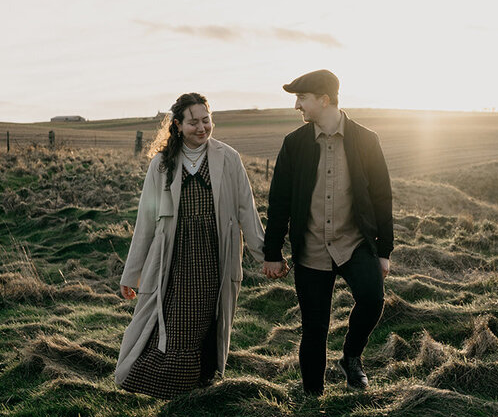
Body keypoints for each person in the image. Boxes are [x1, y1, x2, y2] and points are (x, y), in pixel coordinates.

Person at [115, 93, 266, 397]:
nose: (202, 127)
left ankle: (200, 380)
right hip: (173, 255)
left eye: (206, 120)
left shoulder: (229, 157)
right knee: (177, 319)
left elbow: (245, 210)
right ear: (179, 126)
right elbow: (145, 221)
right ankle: (169, 384)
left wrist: (266, 255)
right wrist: (132, 275)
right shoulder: (161, 164)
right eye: (193, 121)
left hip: (215, 252)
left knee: (209, 316)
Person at [263, 70, 393, 395]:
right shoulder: (294, 144)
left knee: (373, 299)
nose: (297, 105)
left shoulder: (366, 139)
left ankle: (351, 357)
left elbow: (381, 197)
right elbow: (278, 200)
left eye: (302, 98)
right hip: (311, 250)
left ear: (324, 99)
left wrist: (384, 251)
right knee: (315, 329)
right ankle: (312, 398)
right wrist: (272, 253)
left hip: (355, 244)